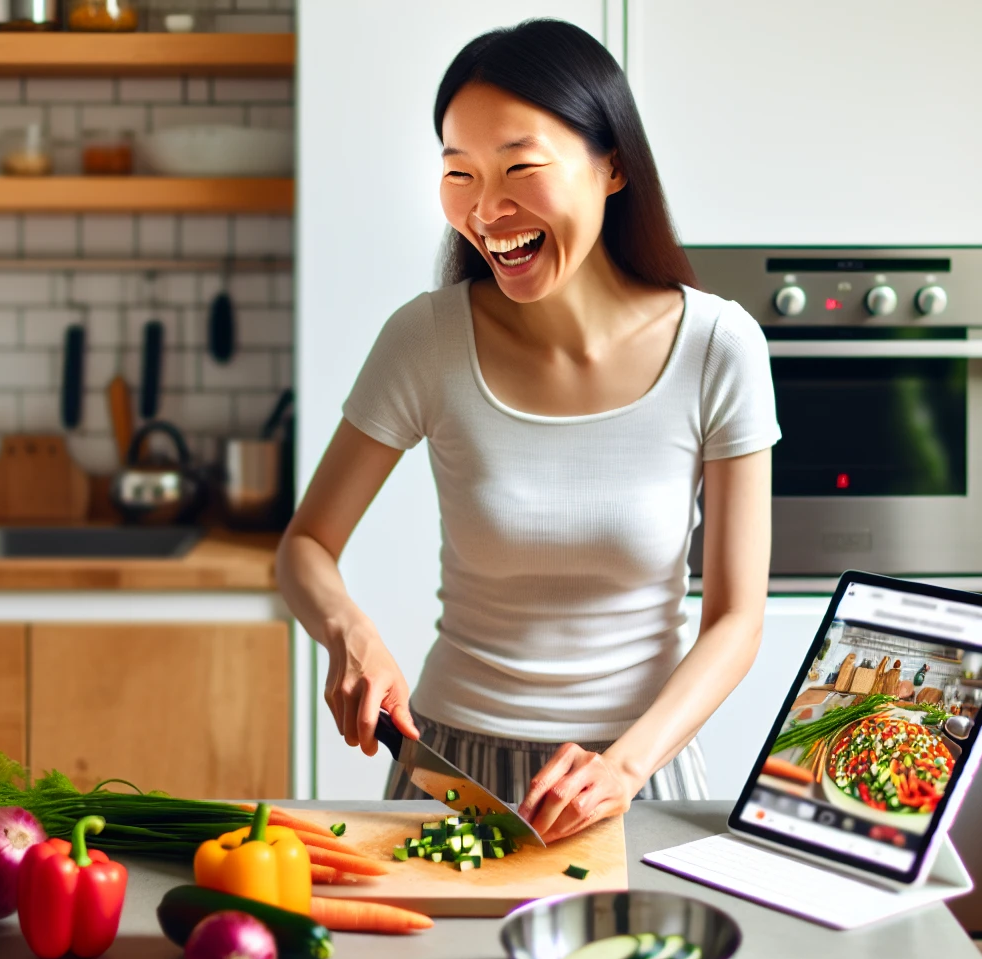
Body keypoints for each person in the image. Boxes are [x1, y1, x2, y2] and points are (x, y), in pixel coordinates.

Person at [276, 20, 779, 843]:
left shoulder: (718, 346)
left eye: (520, 168)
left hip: (631, 779)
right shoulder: (427, 340)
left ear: (611, 164)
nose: (485, 208)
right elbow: (306, 546)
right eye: (459, 174)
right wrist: (351, 635)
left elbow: (736, 619)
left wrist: (625, 764)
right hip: (448, 773)